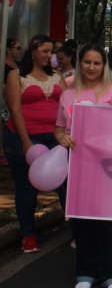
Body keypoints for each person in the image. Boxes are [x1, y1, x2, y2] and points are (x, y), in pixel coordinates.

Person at [55, 44, 112, 288]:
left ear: (104, 65)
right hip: (77, 164)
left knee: (106, 220)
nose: (91, 67)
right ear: (79, 63)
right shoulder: (68, 94)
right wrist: (61, 138)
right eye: (87, 62)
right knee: (81, 218)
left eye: (97, 63)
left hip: (107, 166)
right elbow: (58, 127)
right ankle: (86, 271)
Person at [4, 35, 68, 253]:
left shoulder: (57, 77)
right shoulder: (16, 76)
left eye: (52, 52)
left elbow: (67, 106)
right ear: (33, 51)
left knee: (64, 184)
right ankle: (28, 235)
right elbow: (15, 109)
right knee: (26, 187)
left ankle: (79, 231)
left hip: (54, 138)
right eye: (46, 51)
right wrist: (25, 142)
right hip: (23, 137)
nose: (50, 56)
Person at [1, 38, 21, 166]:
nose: (20, 51)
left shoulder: (18, 65)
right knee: (3, 125)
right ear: (8, 49)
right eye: (17, 48)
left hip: (16, 97)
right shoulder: (2, 65)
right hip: (4, 98)